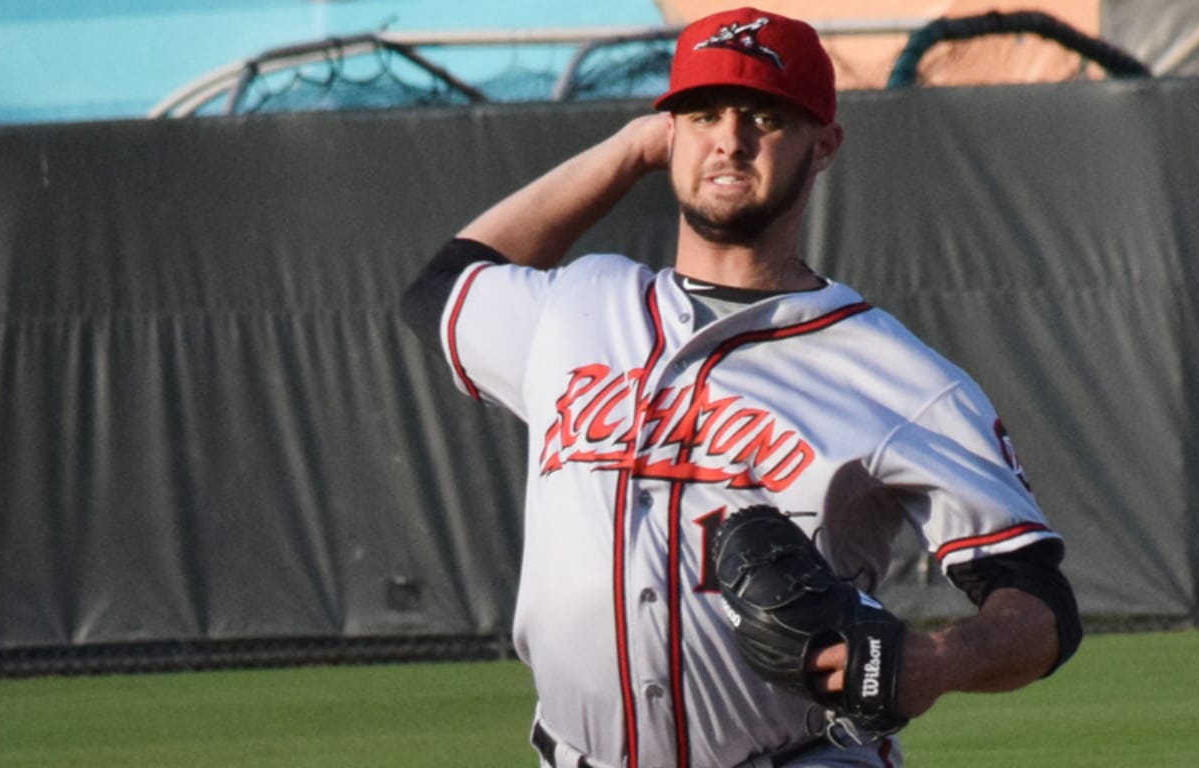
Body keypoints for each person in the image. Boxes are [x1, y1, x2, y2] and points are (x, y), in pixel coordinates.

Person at [401, 7, 1082, 767]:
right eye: (701, 115)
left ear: (823, 146)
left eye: (763, 116)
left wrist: (938, 662)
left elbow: (1038, 601)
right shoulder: (576, 306)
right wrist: (628, 151)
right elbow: (444, 286)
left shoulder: (900, 378)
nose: (729, 139)